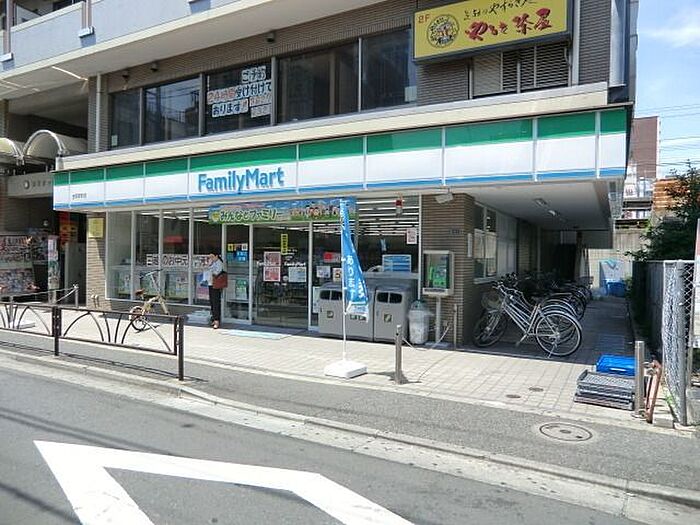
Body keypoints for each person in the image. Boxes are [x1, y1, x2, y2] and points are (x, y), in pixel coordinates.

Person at [205, 253, 225, 329]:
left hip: (216, 285)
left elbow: (216, 273)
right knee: (212, 302)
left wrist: (210, 267)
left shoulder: (219, 263)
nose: (211, 258)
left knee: (216, 302)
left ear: (216, 256)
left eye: (212, 257)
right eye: (210, 257)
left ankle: (217, 320)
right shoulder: (213, 263)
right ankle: (214, 319)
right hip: (211, 284)